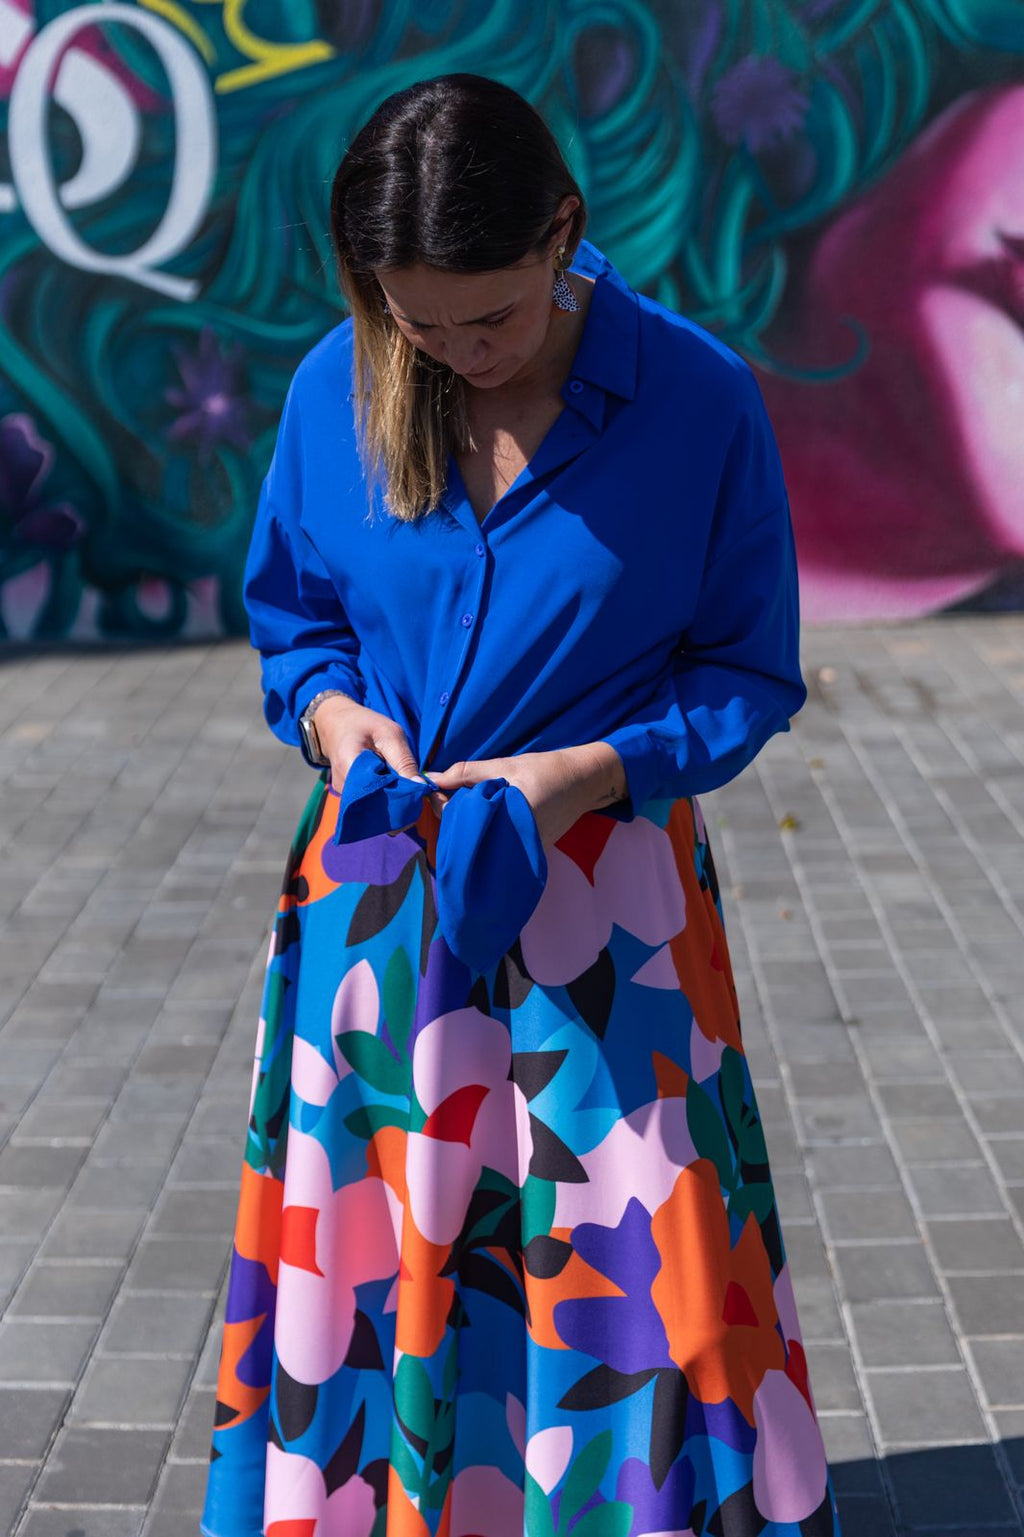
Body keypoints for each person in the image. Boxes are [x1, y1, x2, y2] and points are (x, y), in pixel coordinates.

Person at [200, 72, 842, 1537]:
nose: (454, 353)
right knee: (399, 1243)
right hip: (378, 915)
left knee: (640, 1254)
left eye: (485, 317)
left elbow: (749, 671)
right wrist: (330, 712)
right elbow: (296, 622)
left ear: (566, 232)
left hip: (608, 914)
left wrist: (591, 771)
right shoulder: (332, 384)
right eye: (417, 323)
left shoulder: (698, 403)